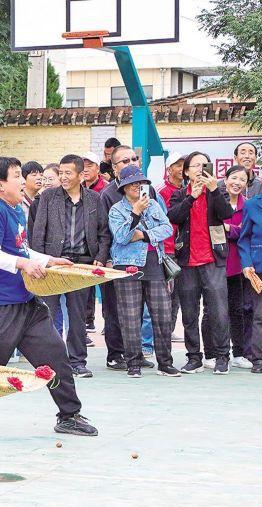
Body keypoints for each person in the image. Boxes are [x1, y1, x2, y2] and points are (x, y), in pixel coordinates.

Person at [0, 157, 98, 438]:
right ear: (0, 184)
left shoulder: (15, 210)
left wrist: (49, 261)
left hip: (27, 303)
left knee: (55, 355)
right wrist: (24, 265)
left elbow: (22, 251)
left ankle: (69, 415)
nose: (23, 180)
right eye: (16, 176)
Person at [28, 154, 109, 378]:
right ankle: (47, 362)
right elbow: (38, 233)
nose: (63, 177)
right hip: (52, 264)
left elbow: (103, 233)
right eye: (60, 172)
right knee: (47, 314)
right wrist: (40, 261)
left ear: (81, 175)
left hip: (81, 266)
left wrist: (100, 258)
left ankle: (77, 362)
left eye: (67, 173)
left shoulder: (94, 199)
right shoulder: (48, 198)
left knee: (77, 316)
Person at [108, 165, 179, 378]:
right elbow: (120, 236)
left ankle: (165, 363)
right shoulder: (116, 210)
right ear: (124, 187)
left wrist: (144, 235)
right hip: (127, 264)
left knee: (162, 314)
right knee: (130, 316)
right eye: (133, 183)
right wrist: (135, 212)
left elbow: (167, 228)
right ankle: (133, 363)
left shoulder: (154, 204)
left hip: (154, 262)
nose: (138, 186)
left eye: (141, 183)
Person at [168, 151, 233, 375]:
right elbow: (173, 217)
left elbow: (227, 214)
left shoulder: (218, 190)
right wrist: (191, 197)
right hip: (187, 261)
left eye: (202, 165)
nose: (198, 169)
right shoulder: (180, 194)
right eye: (194, 166)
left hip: (213, 259)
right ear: (186, 171)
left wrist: (213, 189)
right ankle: (194, 357)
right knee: (189, 313)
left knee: (218, 310)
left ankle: (222, 356)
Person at [221, 166, 254, 369]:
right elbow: (213, 229)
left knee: (239, 310)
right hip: (216, 263)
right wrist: (236, 230)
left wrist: (229, 229)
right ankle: (214, 353)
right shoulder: (217, 201)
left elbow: (247, 233)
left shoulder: (249, 206)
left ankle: (239, 353)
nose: (237, 182)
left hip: (239, 265)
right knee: (213, 311)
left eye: (242, 179)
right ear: (225, 180)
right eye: (234, 177)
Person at [159, 153, 187, 340]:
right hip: (168, 249)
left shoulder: (188, 190)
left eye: (184, 165)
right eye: (178, 165)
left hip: (183, 249)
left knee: (177, 293)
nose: (182, 169)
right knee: (166, 293)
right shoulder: (161, 191)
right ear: (169, 169)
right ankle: (161, 332)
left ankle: (168, 330)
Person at [238, 193, 262, 373]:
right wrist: (246, 263)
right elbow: (244, 238)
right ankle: (259, 360)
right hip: (258, 270)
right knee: (260, 316)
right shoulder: (253, 205)